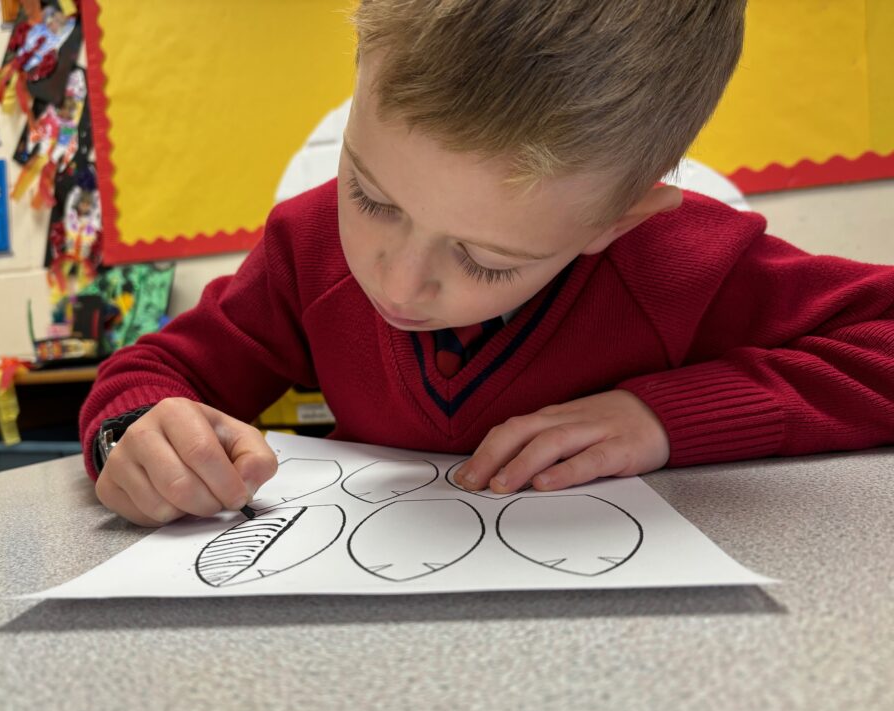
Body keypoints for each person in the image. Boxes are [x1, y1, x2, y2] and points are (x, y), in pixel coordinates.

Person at [80, 0, 894, 527]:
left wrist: (666, 418)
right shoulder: (307, 248)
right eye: (370, 196)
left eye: (488, 260)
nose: (397, 284)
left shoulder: (682, 265)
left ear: (615, 221)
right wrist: (135, 434)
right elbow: (154, 370)